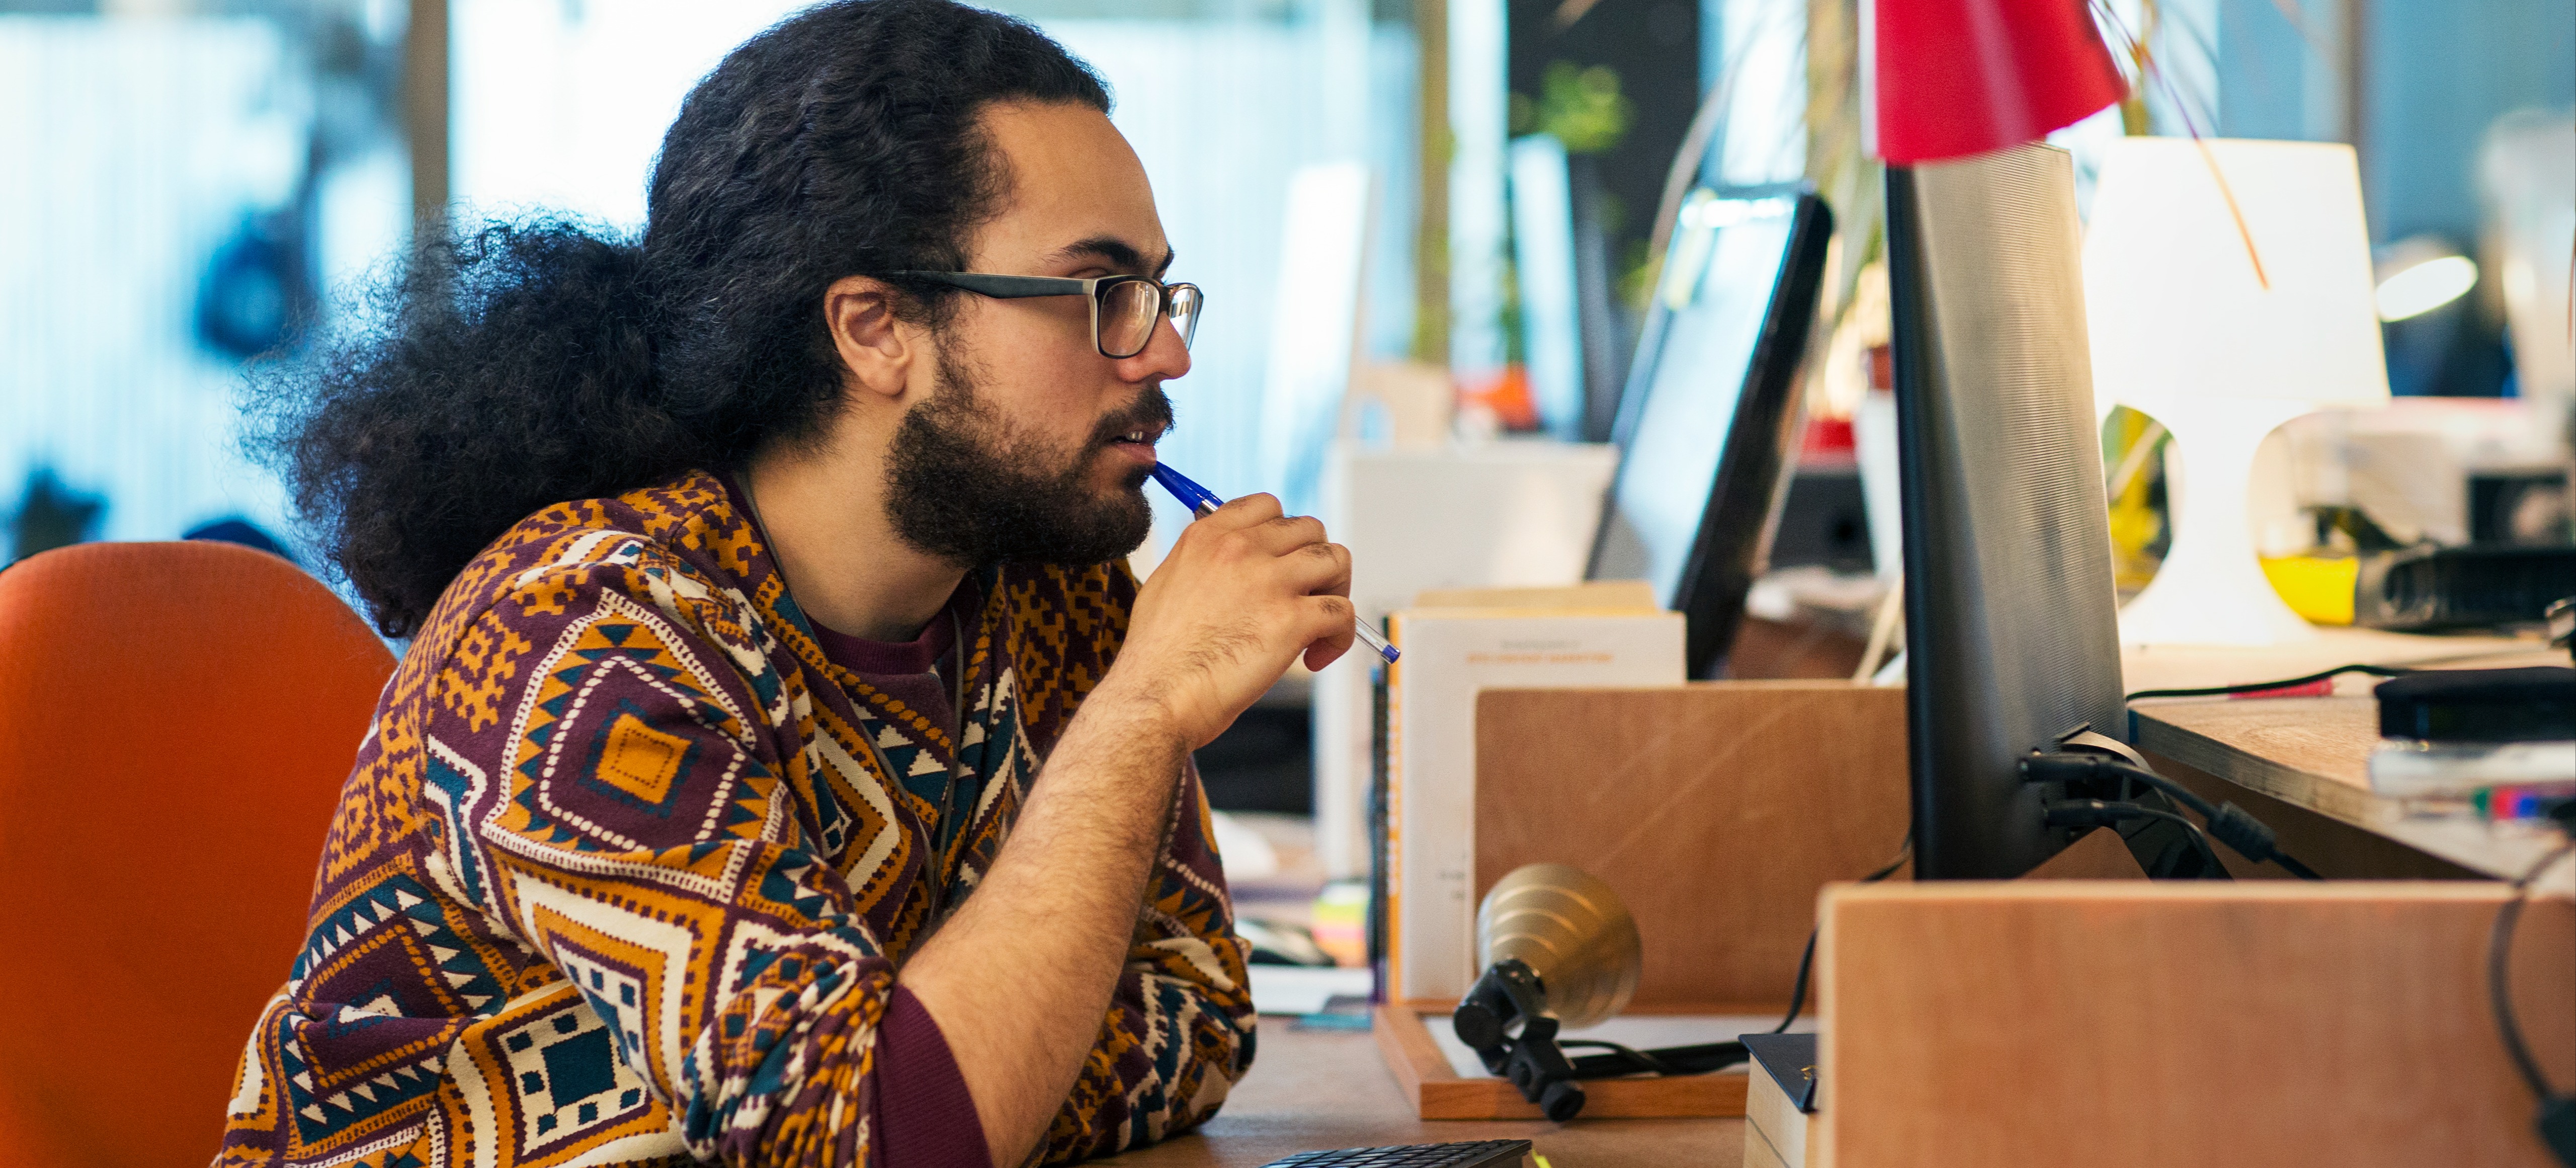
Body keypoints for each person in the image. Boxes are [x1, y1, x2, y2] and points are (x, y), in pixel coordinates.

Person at [217, 3, 1357, 1164]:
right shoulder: (580, 636)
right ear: (874, 329)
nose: (1166, 352)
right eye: (1098, 293)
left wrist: (946, 1074)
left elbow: (1198, 1014)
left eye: (1159, 293)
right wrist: (1138, 715)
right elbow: (867, 1139)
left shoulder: (1048, 598)